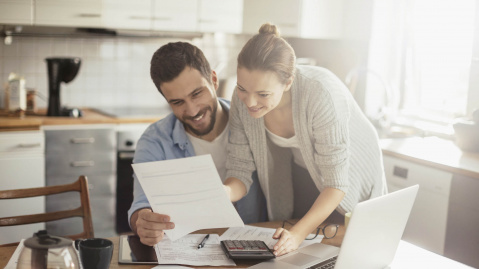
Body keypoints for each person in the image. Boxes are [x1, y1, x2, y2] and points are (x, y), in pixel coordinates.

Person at [223, 23, 388, 256]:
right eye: (242, 89)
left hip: (351, 170)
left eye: (263, 94)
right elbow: (239, 169)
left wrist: (298, 234)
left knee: (346, 241)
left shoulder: (321, 93)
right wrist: (224, 193)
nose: (249, 102)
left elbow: (336, 184)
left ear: (288, 82)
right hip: (304, 165)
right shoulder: (242, 100)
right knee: (301, 244)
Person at [128, 41, 266, 246]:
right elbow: (141, 206)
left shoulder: (252, 121)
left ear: (214, 79)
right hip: (190, 249)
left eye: (196, 94)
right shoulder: (155, 140)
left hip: (255, 245)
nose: (192, 111)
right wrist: (144, 222)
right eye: (177, 102)